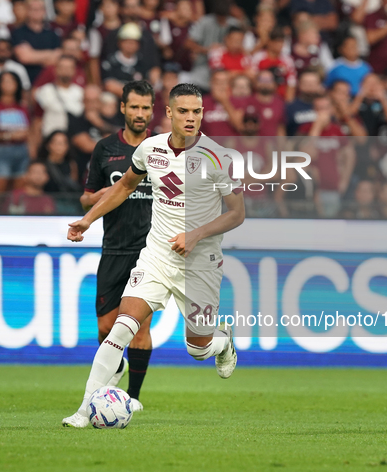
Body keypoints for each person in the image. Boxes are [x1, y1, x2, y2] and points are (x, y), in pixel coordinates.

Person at [62, 83, 244, 428]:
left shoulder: (218, 157)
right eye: (185, 111)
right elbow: (126, 186)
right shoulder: (150, 149)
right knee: (120, 328)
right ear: (170, 114)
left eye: (198, 111)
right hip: (157, 256)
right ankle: (84, 410)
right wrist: (87, 220)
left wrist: (196, 234)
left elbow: (237, 214)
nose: (191, 118)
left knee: (198, 349)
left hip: (199, 263)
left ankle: (222, 342)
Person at [73, 81, 155, 414]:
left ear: (153, 110)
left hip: (150, 251)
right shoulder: (105, 148)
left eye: (146, 107)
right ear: (122, 108)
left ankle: (133, 396)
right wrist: (103, 196)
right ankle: (116, 367)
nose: (140, 113)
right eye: (134, 107)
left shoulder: (162, 148)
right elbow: (85, 197)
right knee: (107, 327)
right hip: (114, 247)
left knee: (139, 326)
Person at [0, 71, 30, 192]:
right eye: (4, 81)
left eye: (11, 81)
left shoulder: (23, 107)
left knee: (18, 196)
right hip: (1, 151)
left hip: (22, 150)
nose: (8, 84)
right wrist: (8, 136)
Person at [33, 54, 84, 147]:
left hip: (73, 144)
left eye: (69, 67)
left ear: (74, 71)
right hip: (51, 142)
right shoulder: (44, 92)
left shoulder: (80, 92)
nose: (65, 71)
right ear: (55, 69)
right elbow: (37, 121)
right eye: (62, 67)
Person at [12, 0, 61, 84]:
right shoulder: (19, 32)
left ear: (44, 11)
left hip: (49, 81)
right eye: (33, 9)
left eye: (39, 9)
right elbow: (25, 57)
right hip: (26, 80)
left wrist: (33, 54)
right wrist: (49, 54)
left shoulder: (52, 34)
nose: (36, 12)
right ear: (27, 11)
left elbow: (58, 57)